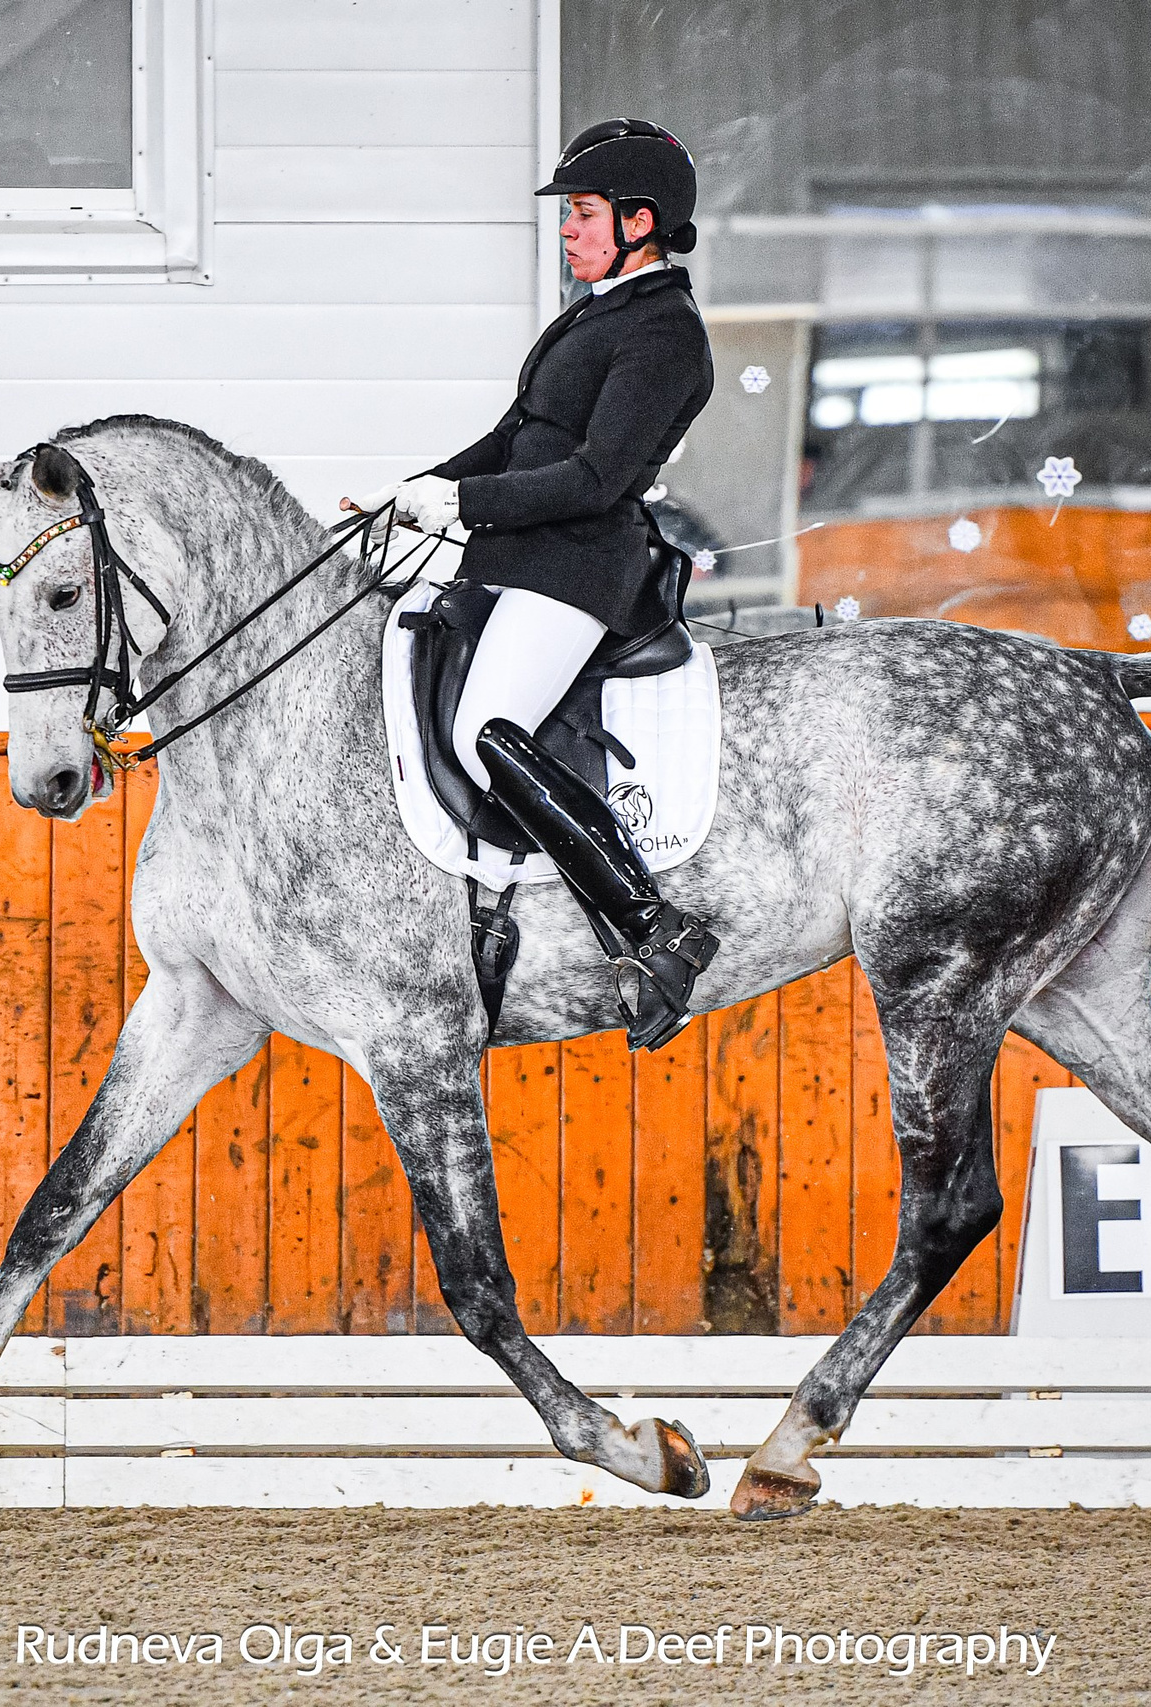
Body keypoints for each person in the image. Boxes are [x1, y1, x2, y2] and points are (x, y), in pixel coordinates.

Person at [346, 119, 718, 1050]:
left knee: (485, 731)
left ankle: (648, 925)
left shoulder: (666, 333)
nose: (569, 230)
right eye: (571, 215)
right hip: (515, 559)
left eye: (585, 214)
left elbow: (595, 477)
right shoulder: (593, 314)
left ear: (642, 220)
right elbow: (515, 437)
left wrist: (460, 502)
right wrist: (410, 493)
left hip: (581, 567)